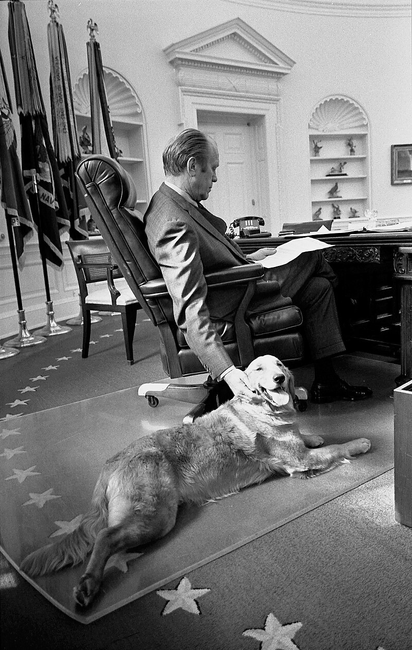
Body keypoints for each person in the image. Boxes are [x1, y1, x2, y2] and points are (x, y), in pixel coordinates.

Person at [144, 128, 372, 403]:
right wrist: (226, 370)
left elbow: (207, 259)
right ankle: (353, 309)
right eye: (212, 169)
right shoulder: (173, 221)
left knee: (319, 287)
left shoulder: (173, 203)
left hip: (237, 284)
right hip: (235, 301)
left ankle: (327, 381)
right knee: (312, 255)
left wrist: (253, 258)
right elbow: (189, 304)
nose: (215, 177)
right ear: (193, 166)